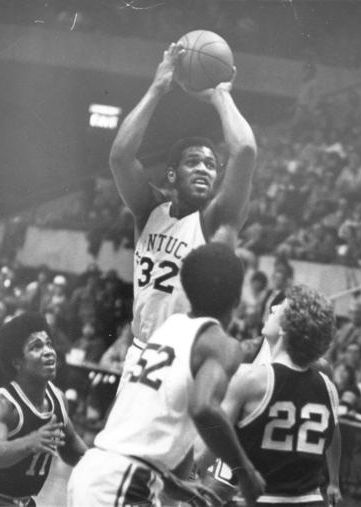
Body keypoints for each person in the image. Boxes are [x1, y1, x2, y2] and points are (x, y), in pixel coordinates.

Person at [67, 243, 264, 507]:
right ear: (237, 299)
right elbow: (204, 408)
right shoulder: (221, 344)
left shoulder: (170, 327)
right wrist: (246, 471)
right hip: (122, 482)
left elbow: (155, 416)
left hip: (99, 470)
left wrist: (174, 485)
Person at [109, 42, 257, 385]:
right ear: (172, 174)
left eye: (210, 164)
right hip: (141, 353)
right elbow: (120, 157)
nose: (205, 169)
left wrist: (221, 95)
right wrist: (158, 88)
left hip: (185, 358)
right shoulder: (149, 210)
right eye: (194, 162)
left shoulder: (217, 220)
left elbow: (245, 150)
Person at [200, 285, 342, 506]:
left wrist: (178, 475)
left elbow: (209, 447)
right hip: (310, 499)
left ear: (287, 327)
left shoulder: (250, 379)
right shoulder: (328, 387)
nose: (273, 309)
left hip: (262, 497)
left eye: (278, 309)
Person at [0, 312, 87, 506]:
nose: (49, 351)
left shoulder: (58, 399)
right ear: (17, 362)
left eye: (49, 344)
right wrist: (31, 441)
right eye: (36, 347)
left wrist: (104, 464)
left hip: (25, 502)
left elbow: (72, 450)